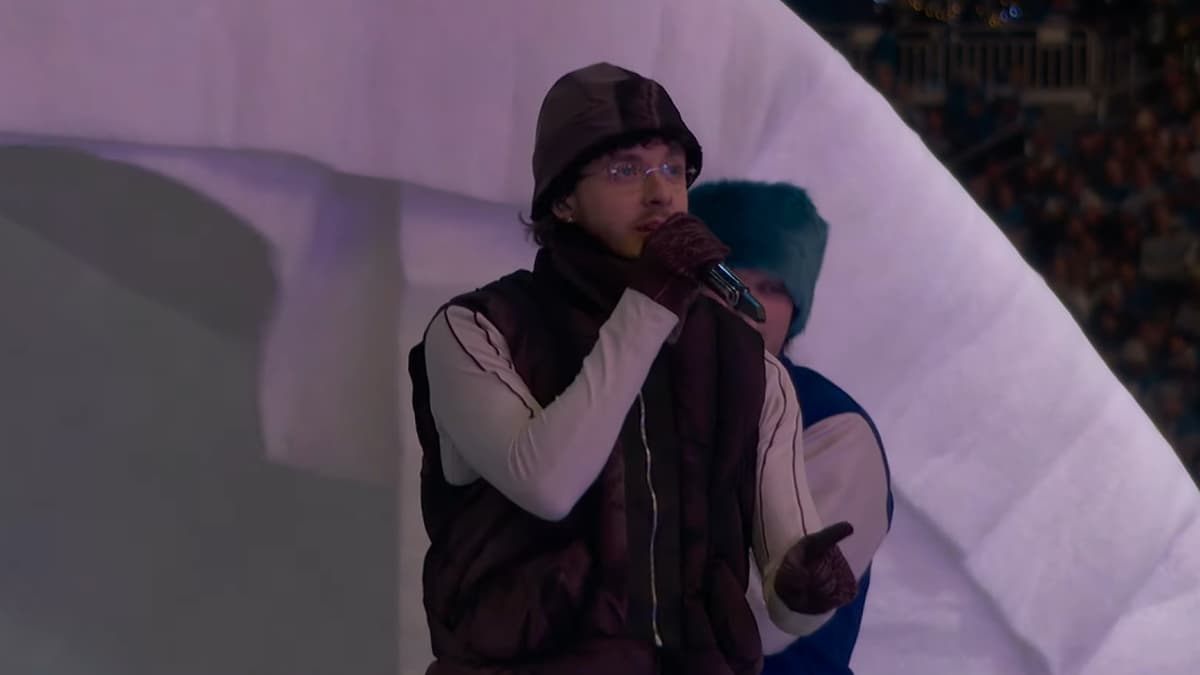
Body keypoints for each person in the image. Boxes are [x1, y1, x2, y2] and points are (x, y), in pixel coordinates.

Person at [407, 62, 859, 674]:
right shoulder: (478, 329)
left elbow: (785, 586)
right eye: (626, 171)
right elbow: (546, 483)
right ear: (563, 198)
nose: (659, 193)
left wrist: (809, 591)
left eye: (673, 169)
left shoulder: (746, 362)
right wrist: (649, 302)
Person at [689, 180, 894, 674]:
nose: (747, 306)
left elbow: (761, 621)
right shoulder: (626, 392)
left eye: (771, 288)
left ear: (794, 308)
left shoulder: (834, 428)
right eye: (728, 280)